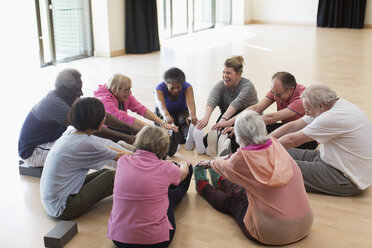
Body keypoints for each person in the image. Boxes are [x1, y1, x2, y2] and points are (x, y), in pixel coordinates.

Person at [194, 109, 313, 245]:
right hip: (306, 222)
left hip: (272, 232)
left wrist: (210, 163)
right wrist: (218, 162)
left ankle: (202, 185)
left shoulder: (239, 160)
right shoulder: (276, 144)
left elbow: (231, 162)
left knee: (234, 201)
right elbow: (236, 157)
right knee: (247, 190)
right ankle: (220, 180)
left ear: (238, 135)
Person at [18, 68, 136, 168]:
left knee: (96, 142)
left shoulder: (66, 97)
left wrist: (132, 130)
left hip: (49, 141)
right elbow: (91, 125)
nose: (81, 92)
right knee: (92, 148)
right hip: (34, 152)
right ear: (65, 89)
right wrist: (128, 137)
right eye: (77, 89)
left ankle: (134, 158)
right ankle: (134, 167)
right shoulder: (55, 104)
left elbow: (98, 115)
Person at [270, 83, 372, 196]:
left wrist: (262, 151)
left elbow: (292, 140)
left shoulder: (332, 117)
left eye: (307, 109)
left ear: (320, 106)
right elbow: (293, 126)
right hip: (332, 160)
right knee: (281, 153)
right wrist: (266, 140)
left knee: (275, 167)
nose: (306, 113)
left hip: (345, 179)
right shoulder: (333, 105)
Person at [40, 98, 131, 220]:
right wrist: (149, 158)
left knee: (106, 172)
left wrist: (129, 151)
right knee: (112, 176)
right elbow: (120, 157)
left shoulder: (71, 133)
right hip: (64, 208)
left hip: (51, 202)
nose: (104, 119)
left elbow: (106, 148)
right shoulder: (85, 143)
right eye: (103, 116)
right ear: (94, 120)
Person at [107, 126, 193, 248]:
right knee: (172, 190)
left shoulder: (122, 161)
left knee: (156, 190)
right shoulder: (166, 169)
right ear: (164, 149)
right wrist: (184, 164)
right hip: (156, 243)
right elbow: (183, 174)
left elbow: (129, 157)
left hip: (119, 240)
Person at [215, 71, 317, 150]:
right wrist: (229, 122)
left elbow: (271, 118)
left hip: (306, 137)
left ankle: (237, 151)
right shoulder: (278, 90)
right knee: (257, 130)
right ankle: (227, 146)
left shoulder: (301, 99)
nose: (275, 97)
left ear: (291, 89)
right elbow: (256, 108)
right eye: (273, 93)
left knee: (259, 134)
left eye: (278, 95)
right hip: (288, 127)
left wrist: (240, 126)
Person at [94, 73, 181, 156]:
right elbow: (124, 119)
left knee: (140, 131)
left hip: (120, 126)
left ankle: (161, 149)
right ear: (114, 90)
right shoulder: (104, 100)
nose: (130, 92)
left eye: (130, 89)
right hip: (106, 132)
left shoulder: (124, 94)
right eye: (127, 90)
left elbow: (141, 109)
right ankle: (155, 151)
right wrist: (155, 131)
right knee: (139, 134)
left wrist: (163, 123)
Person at [194, 55, 258, 155]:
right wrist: (206, 118)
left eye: (228, 73)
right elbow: (211, 100)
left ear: (239, 74)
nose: (225, 76)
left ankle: (224, 146)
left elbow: (236, 104)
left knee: (232, 139)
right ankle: (213, 145)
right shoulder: (220, 85)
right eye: (223, 72)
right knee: (208, 139)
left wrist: (223, 120)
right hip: (228, 115)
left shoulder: (247, 86)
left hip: (247, 118)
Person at [155, 67, 197, 144]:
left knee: (184, 122)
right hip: (165, 111)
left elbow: (190, 102)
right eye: (172, 88)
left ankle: (187, 137)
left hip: (181, 110)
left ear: (182, 84)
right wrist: (166, 115)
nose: (175, 90)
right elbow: (160, 104)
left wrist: (192, 115)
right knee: (170, 125)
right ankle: (172, 137)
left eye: (178, 87)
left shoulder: (187, 87)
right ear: (166, 84)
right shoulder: (159, 88)